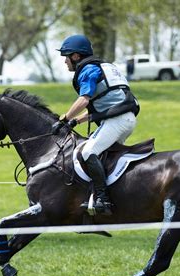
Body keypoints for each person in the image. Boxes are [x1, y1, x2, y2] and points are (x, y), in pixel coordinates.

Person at [52, 34, 140, 215]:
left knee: (88, 152)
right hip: (123, 118)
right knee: (103, 155)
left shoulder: (88, 70)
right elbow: (101, 106)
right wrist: (76, 121)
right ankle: (107, 193)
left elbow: (84, 99)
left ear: (76, 56)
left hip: (118, 121)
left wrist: (66, 118)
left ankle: (103, 199)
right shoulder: (103, 66)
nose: (65, 62)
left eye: (66, 57)